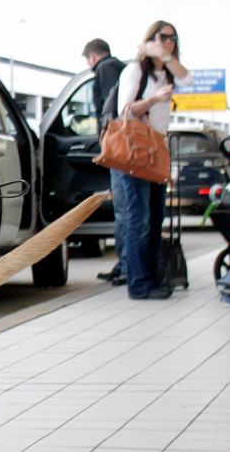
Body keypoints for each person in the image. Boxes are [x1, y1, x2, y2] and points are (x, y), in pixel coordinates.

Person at [114, 21, 192, 300]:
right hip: (136, 148)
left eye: (173, 38)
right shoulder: (135, 71)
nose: (169, 41)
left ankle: (154, 278)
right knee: (140, 218)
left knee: (157, 216)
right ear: (150, 39)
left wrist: (167, 57)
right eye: (163, 37)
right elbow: (125, 109)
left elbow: (188, 80)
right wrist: (154, 99)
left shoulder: (168, 73)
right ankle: (139, 283)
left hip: (158, 148)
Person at [82, 38, 128, 286]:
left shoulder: (105, 68)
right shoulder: (117, 67)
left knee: (123, 209)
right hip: (122, 144)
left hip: (117, 145)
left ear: (92, 57)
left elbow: (113, 106)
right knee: (125, 208)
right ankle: (126, 264)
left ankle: (125, 266)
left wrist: (109, 136)